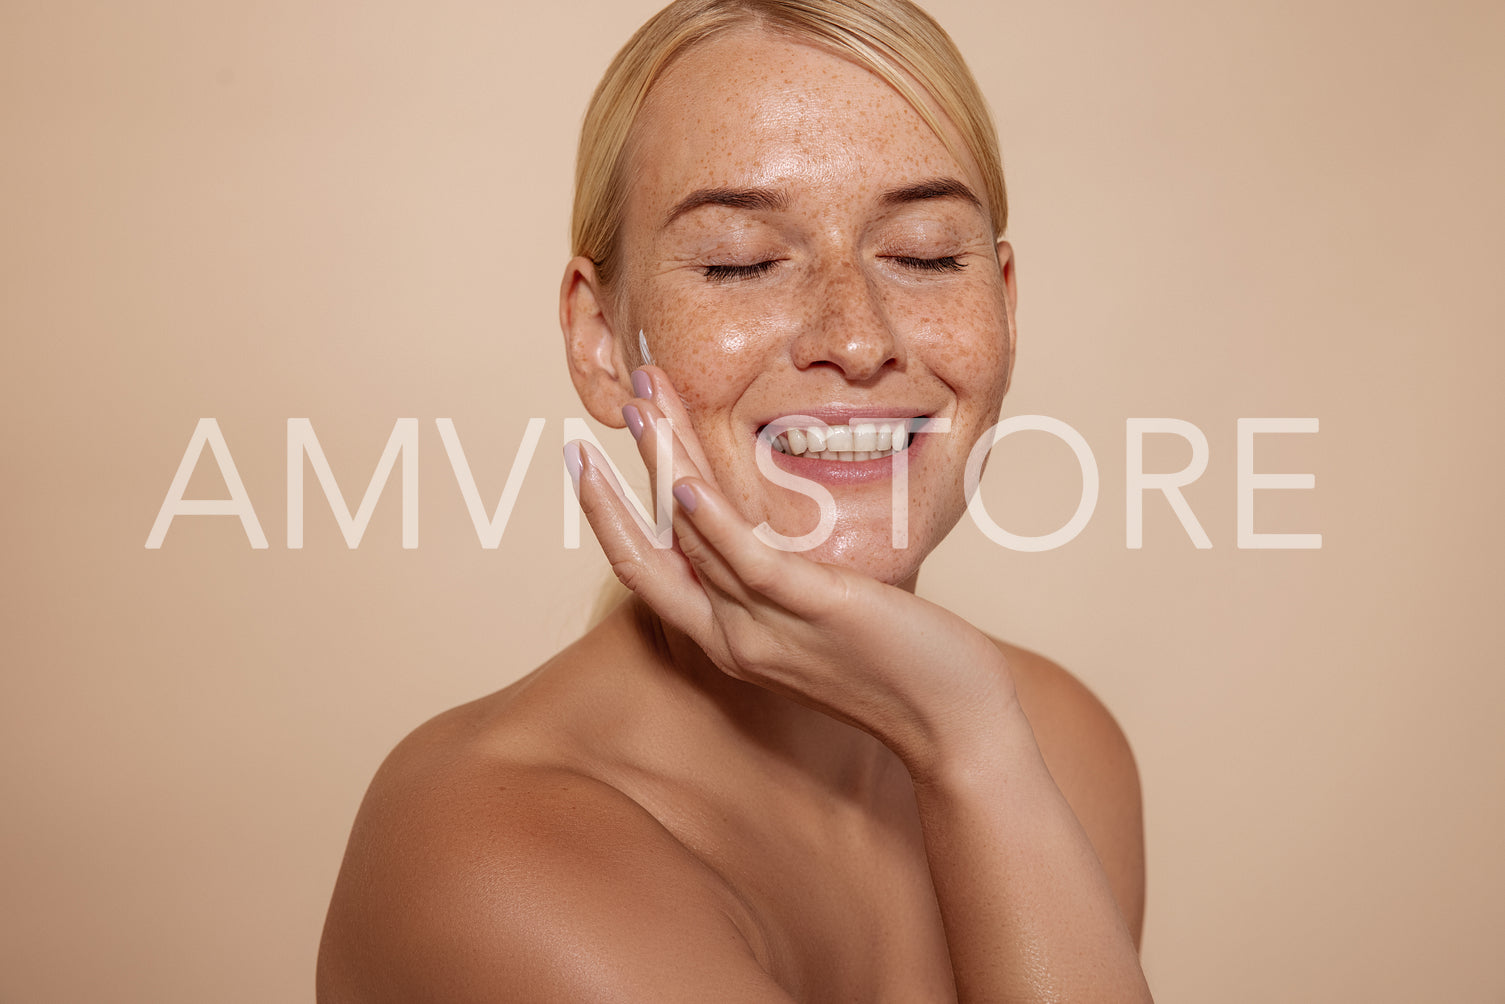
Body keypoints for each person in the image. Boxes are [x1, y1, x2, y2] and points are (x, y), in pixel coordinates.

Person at [318, 1, 1151, 1000]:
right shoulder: (492, 856)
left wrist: (973, 743)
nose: (854, 336)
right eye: (740, 262)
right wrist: (968, 739)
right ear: (596, 338)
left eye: (925, 252)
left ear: (1003, 307)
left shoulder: (1054, 747)